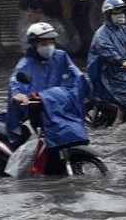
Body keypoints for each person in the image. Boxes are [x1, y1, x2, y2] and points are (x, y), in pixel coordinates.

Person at [6, 22, 91, 153]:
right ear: (34, 44)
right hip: (37, 111)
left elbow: (77, 75)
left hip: (60, 107)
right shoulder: (25, 65)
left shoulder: (61, 57)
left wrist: (88, 90)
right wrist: (19, 95)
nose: (49, 47)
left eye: (51, 42)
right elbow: (17, 83)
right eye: (44, 44)